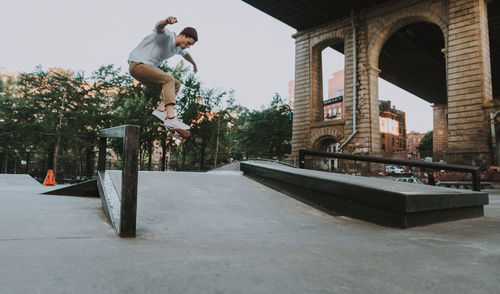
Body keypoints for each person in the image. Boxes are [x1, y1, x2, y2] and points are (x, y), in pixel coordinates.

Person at [128, 16, 198, 136]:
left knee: (176, 84)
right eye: (188, 43)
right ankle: (171, 118)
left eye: (190, 45)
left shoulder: (178, 48)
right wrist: (166, 22)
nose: (188, 46)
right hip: (137, 65)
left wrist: (194, 64)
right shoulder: (167, 36)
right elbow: (158, 27)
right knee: (169, 80)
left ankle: (161, 110)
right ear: (182, 35)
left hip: (145, 69)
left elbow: (187, 55)